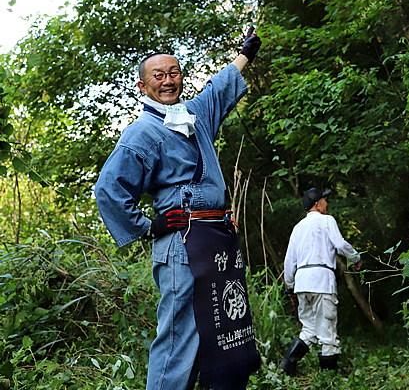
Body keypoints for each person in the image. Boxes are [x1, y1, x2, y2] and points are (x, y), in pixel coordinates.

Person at [95, 29, 262, 390]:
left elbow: (219, 88)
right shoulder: (141, 132)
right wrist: (147, 227)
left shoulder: (195, 115)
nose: (168, 80)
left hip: (216, 238)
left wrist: (246, 52)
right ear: (143, 87)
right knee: (180, 334)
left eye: (174, 72)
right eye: (159, 75)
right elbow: (109, 189)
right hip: (181, 243)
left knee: (220, 326)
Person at [279, 187, 362, 375]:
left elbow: (289, 261)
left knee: (308, 329)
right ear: (317, 204)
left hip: (302, 282)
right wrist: (356, 258)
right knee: (328, 333)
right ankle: (328, 379)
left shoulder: (298, 227)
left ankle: (287, 367)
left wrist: (290, 285)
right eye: (325, 200)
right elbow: (340, 244)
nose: (327, 203)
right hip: (322, 282)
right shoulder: (326, 221)